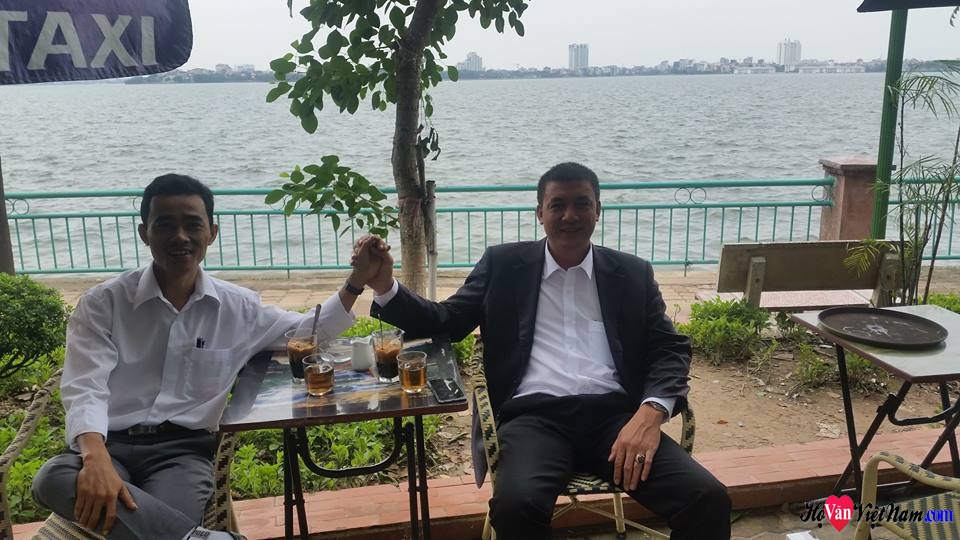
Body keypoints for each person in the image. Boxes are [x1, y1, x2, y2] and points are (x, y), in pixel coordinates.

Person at [356, 162, 731, 539]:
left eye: (582, 203)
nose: (570, 215)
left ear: (598, 210)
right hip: (534, 419)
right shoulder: (504, 266)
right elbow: (448, 321)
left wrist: (651, 413)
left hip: (616, 420)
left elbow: (670, 347)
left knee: (707, 499)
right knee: (516, 508)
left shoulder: (631, 273)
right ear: (540, 213)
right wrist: (386, 285)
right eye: (557, 205)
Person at [32, 174, 380, 540]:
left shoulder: (238, 308)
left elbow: (306, 331)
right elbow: (85, 386)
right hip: (109, 444)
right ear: (144, 233)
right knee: (52, 477)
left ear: (212, 232)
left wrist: (356, 282)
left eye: (192, 224)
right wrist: (95, 458)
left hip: (181, 455)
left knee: (155, 519)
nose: (180, 236)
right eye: (165, 225)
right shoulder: (105, 303)